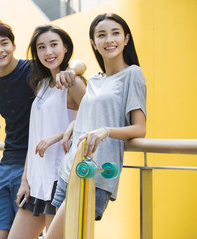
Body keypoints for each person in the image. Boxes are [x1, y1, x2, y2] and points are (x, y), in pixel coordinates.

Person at [0, 21, 86, 239]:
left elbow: (93, 117)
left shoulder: (71, 80)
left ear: (65, 47)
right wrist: (26, 180)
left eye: (54, 45)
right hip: (37, 176)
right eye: (41, 48)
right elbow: (35, 135)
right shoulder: (42, 83)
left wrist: (73, 70)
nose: (48, 52)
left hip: (59, 175)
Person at [45, 13, 147, 239]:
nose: (109, 39)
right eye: (102, 35)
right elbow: (80, 75)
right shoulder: (96, 80)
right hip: (70, 168)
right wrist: (75, 124)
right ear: (93, 42)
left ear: (126, 39)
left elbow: (140, 129)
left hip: (94, 173)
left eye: (115, 33)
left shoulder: (133, 74)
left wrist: (106, 131)